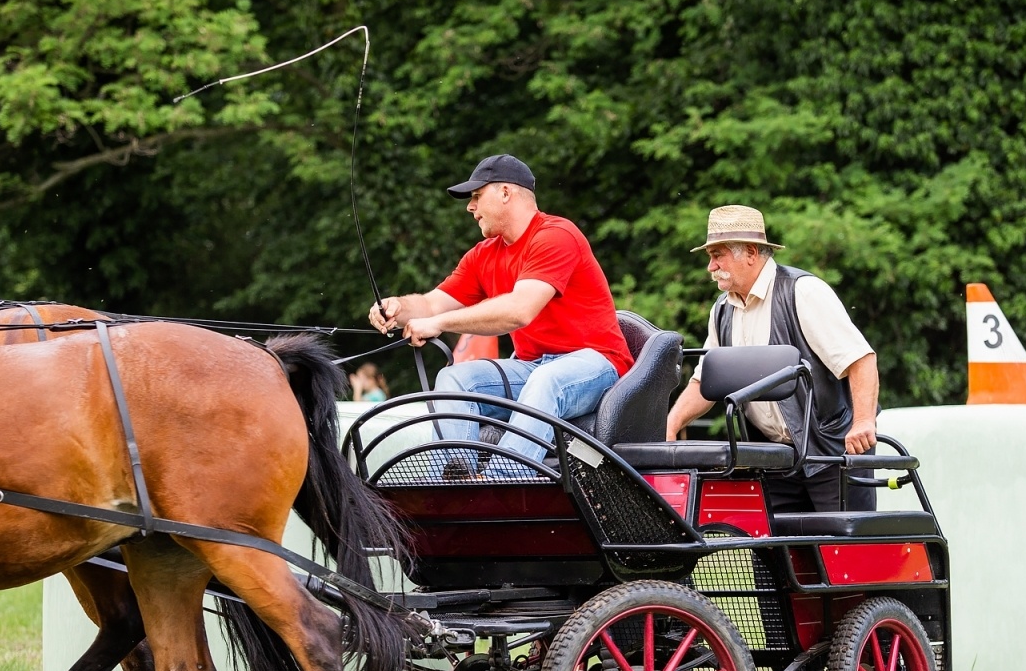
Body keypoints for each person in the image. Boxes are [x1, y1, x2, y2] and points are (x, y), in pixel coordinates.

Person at [368, 154, 633, 473]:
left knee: (546, 380)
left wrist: (436, 323)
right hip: (533, 368)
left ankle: (499, 483)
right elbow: (431, 304)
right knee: (453, 378)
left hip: (596, 365)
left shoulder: (556, 235)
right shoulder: (482, 256)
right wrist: (397, 308)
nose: (470, 207)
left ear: (506, 192)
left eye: (477, 196)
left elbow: (519, 311)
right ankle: (456, 483)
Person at [665, 204, 880, 512]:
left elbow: (861, 360)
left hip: (831, 453)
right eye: (710, 257)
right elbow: (707, 380)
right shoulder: (722, 310)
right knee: (775, 557)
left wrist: (862, 422)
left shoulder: (803, 292)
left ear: (751, 252)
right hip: (774, 461)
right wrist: (672, 423)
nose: (710, 268)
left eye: (718, 255)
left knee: (844, 556)